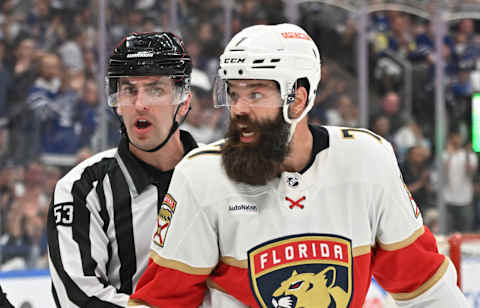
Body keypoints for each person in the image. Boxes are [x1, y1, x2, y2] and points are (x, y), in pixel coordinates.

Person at [129, 24, 467, 308]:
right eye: (233, 94)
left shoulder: (367, 160)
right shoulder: (202, 176)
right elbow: (161, 300)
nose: (239, 109)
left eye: (256, 94)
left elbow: (427, 288)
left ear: (299, 98)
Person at [47, 32, 197, 307]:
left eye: (155, 89)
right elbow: (78, 297)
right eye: (129, 90)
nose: (140, 103)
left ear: (184, 101)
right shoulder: (81, 188)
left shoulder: (223, 177)